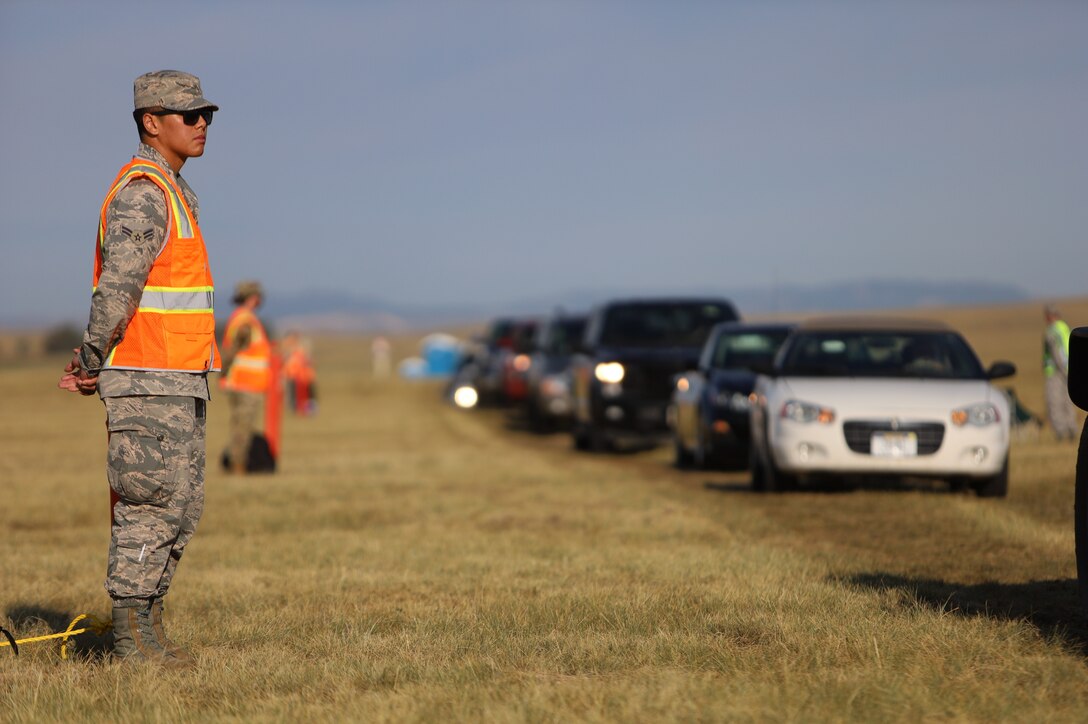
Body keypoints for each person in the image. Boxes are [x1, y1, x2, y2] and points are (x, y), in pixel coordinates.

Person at [57, 70, 219, 667]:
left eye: (207, 115)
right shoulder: (143, 191)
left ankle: (149, 631)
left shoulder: (173, 189)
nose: (202, 124)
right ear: (152, 122)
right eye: (188, 114)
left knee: (178, 508)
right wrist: (91, 359)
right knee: (148, 506)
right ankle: (130, 639)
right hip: (148, 378)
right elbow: (117, 289)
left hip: (178, 377)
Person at [220, 280, 273, 471]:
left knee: (240, 425)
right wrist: (223, 372)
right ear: (252, 298)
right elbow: (233, 349)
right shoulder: (245, 321)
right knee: (242, 428)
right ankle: (238, 465)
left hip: (244, 382)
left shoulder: (240, 317)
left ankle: (237, 462)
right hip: (245, 384)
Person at [1044, 305, 1079, 441]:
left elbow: (1057, 353)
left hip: (1056, 371)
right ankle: (1071, 429)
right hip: (1069, 369)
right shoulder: (1064, 328)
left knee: (1054, 402)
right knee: (1068, 401)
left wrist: (1064, 370)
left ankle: (1061, 432)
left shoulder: (1052, 331)